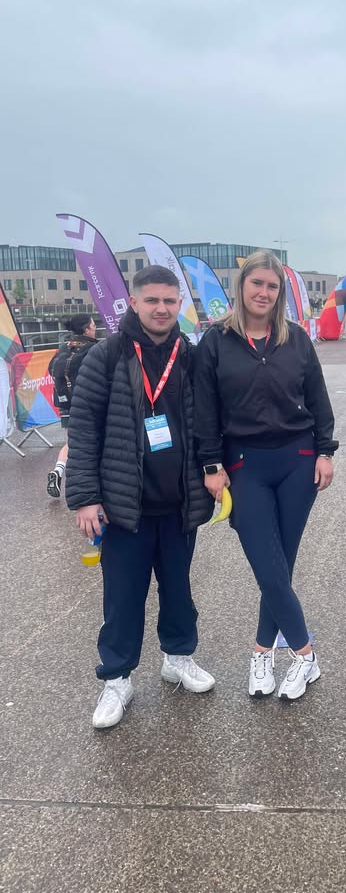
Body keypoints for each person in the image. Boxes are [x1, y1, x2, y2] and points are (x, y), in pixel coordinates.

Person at [66, 266, 215, 730]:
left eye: (170, 301)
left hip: (177, 502)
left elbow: (206, 422)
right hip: (122, 504)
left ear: (179, 305)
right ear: (133, 302)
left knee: (178, 590)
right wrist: (85, 497)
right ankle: (116, 677)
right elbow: (84, 430)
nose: (162, 309)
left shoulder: (189, 356)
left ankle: (178, 656)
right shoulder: (105, 356)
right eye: (152, 300)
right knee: (123, 597)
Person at [194, 251, 338, 702]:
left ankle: (261, 652)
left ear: (279, 293)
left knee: (281, 565)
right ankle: (305, 653)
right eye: (257, 283)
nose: (264, 292)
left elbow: (317, 397)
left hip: (297, 461)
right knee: (266, 563)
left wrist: (325, 451)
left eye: (272, 286)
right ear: (242, 287)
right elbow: (205, 410)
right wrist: (211, 465)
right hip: (243, 465)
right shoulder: (216, 342)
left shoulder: (295, 339)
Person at [47, 314, 97, 498]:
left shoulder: (63, 348)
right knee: (90, 444)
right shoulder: (93, 349)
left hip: (65, 403)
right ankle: (84, 483)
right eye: (93, 325)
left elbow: (51, 369)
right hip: (86, 404)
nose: (95, 328)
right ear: (86, 329)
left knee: (71, 442)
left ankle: (58, 471)